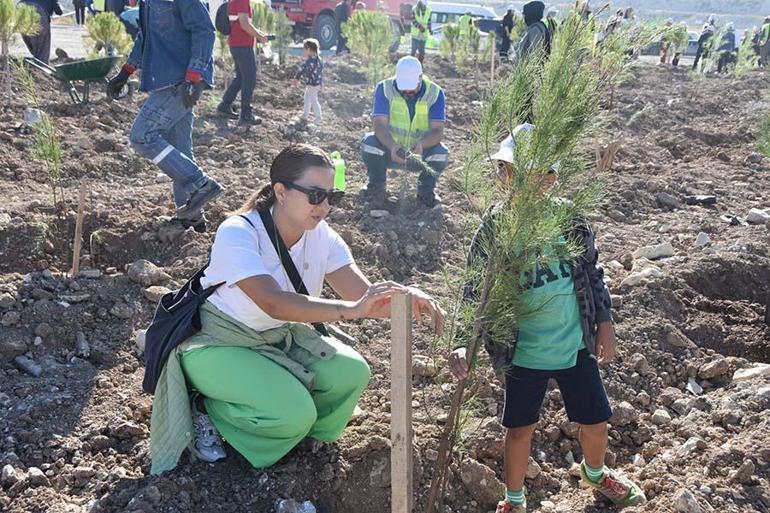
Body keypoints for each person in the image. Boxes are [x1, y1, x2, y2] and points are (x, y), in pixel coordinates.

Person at [146, 143, 444, 474]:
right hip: (219, 341)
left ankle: (299, 437)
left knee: (351, 373)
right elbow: (273, 302)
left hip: (276, 336)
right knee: (293, 413)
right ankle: (207, 407)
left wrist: (407, 297)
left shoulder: (322, 236)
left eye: (333, 197)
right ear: (281, 192)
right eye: (316, 195)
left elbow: (362, 295)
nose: (326, 206)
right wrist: (350, 310)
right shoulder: (239, 232)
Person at [449, 124, 646, 513]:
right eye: (511, 172)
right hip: (523, 352)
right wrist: (461, 339)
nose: (518, 182)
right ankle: (514, 498)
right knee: (519, 428)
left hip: (575, 345)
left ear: (551, 178)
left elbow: (592, 272)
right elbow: (475, 288)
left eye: (531, 175)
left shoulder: (569, 219)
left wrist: (605, 324)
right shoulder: (496, 227)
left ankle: (594, 471)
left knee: (595, 421)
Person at [106, 0, 221, 233]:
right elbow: (145, 38)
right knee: (179, 151)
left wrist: (193, 76)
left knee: (142, 136)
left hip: (181, 81)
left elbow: (204, 30)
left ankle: (201, 184)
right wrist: (125, 72)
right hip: (167, 80)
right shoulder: (148, 2)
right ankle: (191, 216)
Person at [360, 56, 448, 208]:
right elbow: (379, 124)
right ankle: (376, 186)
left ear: (421, 78)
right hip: (390, 151)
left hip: (419, 154)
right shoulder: (385, 88)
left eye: (411, 86)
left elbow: (437, 130)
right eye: (404, 86)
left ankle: (426, 192)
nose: (407, 90)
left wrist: (421, 145)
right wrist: (393, 146)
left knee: (441, 153)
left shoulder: (434, 93)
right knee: (369, 143)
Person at [216, 0, 268, 126]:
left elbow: (241, 23)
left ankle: (224, 106)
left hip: (237, 44)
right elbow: (244, 24)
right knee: (249, 79)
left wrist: (259, 34)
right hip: (243, 45)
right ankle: (246, 115)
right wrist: (259, 37)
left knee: (240, 78)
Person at [293, 38, 324, 125]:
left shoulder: (309, 61)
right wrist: (321, 83)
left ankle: (318, 118)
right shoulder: (319, 59)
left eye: (304, 49)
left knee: (313, 100)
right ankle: (305, 115)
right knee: (307, 98)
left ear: (309, 49)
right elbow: (321, 72)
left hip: (312, 84)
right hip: (316, 83)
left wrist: (296, 78)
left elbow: (301, 70)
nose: (303, 51)